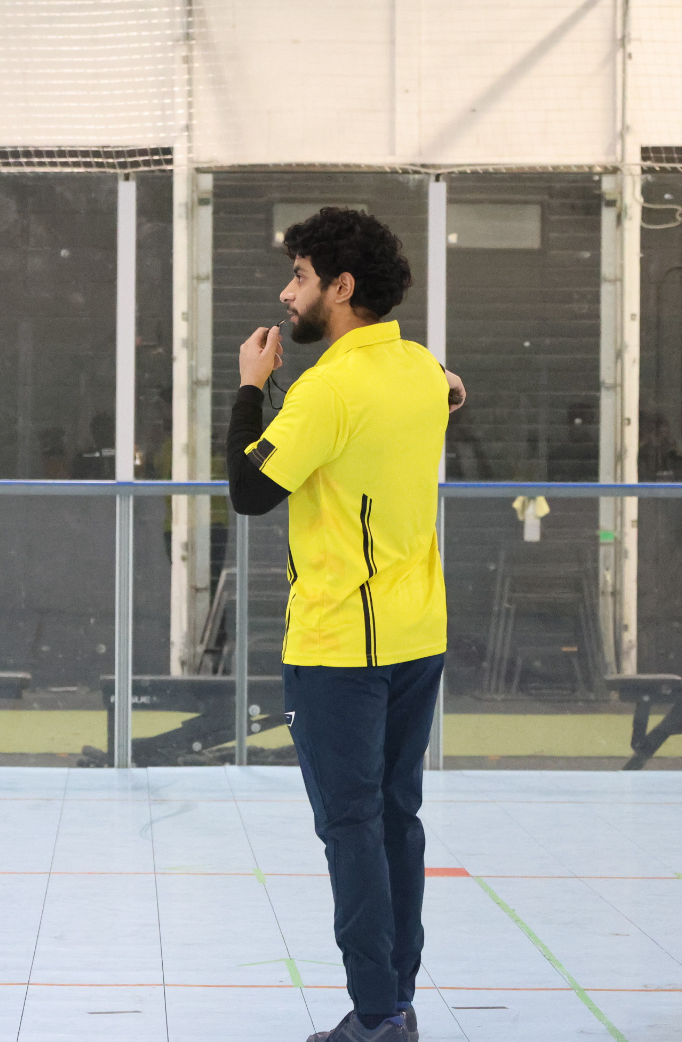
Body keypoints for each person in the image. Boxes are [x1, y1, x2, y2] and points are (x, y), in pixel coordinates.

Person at [224, 208, 466, 1042]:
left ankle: (374, 1016)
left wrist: (250, 386)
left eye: (299, 276)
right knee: (396, 819)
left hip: (338, 651)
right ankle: (395, 1001)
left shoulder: (326, 389)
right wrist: (449, 385)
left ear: (342, 286)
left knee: (352, 828)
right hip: (417, 638)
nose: (286, 294)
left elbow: (250, 491)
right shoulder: (421, 370)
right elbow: (448, 391)